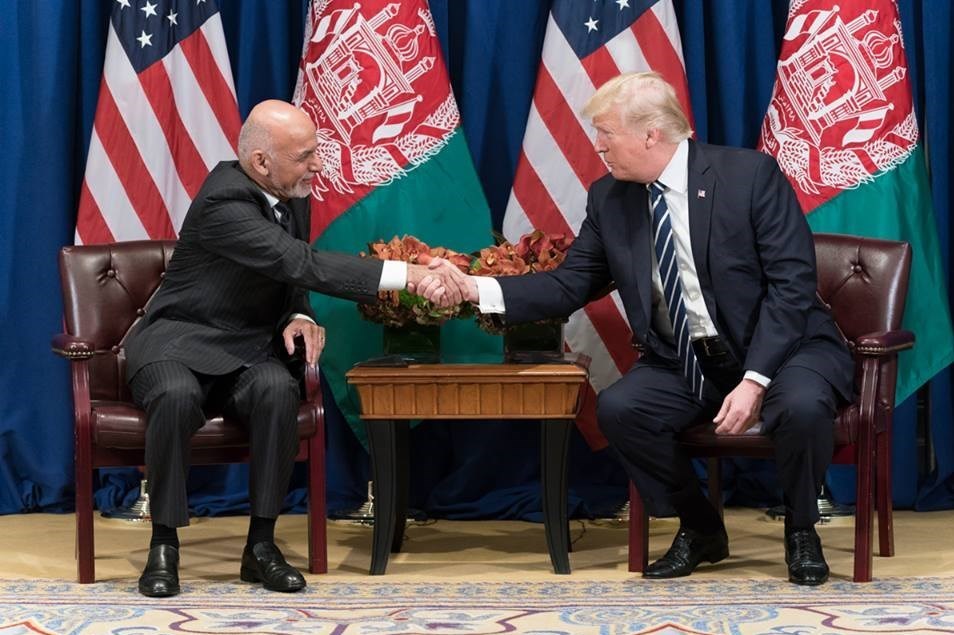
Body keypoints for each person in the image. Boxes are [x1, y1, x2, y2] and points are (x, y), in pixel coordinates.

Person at [422, 72, 854, 586]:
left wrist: (755, 379)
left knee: (802, 406)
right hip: (686, 358)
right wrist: (474, 289)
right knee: (622, 409)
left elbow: (791, 286)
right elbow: (568, 285)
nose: (598, 145)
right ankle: (701, 528)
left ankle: (801, 529)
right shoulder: (610, 198)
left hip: (785, 350)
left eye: (606, 132)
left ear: (651, 134)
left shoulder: (748, 176)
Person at [125, 100, 463, 598]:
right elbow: (301, 260)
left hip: (246, 349)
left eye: (316, 152)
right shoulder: (224, 202)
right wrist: (407, 275)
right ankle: (164, 545)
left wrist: (298, 314)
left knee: (277, 390)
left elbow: (288, 275)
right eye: (305, 156)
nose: (318, 165)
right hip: (178, 341)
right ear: (261, 162)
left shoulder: (290, 191)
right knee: (176, 396)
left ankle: (261, 546)